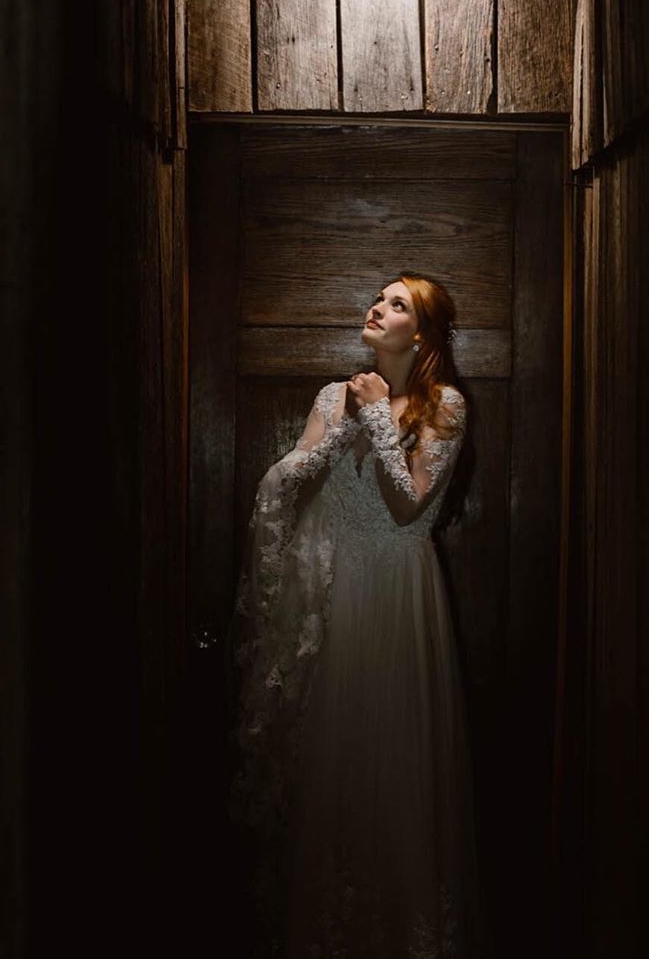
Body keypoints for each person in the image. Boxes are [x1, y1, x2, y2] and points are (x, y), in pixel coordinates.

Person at [227, 273, 482, 958]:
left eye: (398, 304)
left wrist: (374, 416)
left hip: (400, 590)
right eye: (379, 297)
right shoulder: (331, 395)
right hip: (336, 593)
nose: (379, 307)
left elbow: (411, 505)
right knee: (335, 763)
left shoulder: (446, 404)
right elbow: (286, 480)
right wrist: (324, 443)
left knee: (396, 760)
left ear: (421, 333)